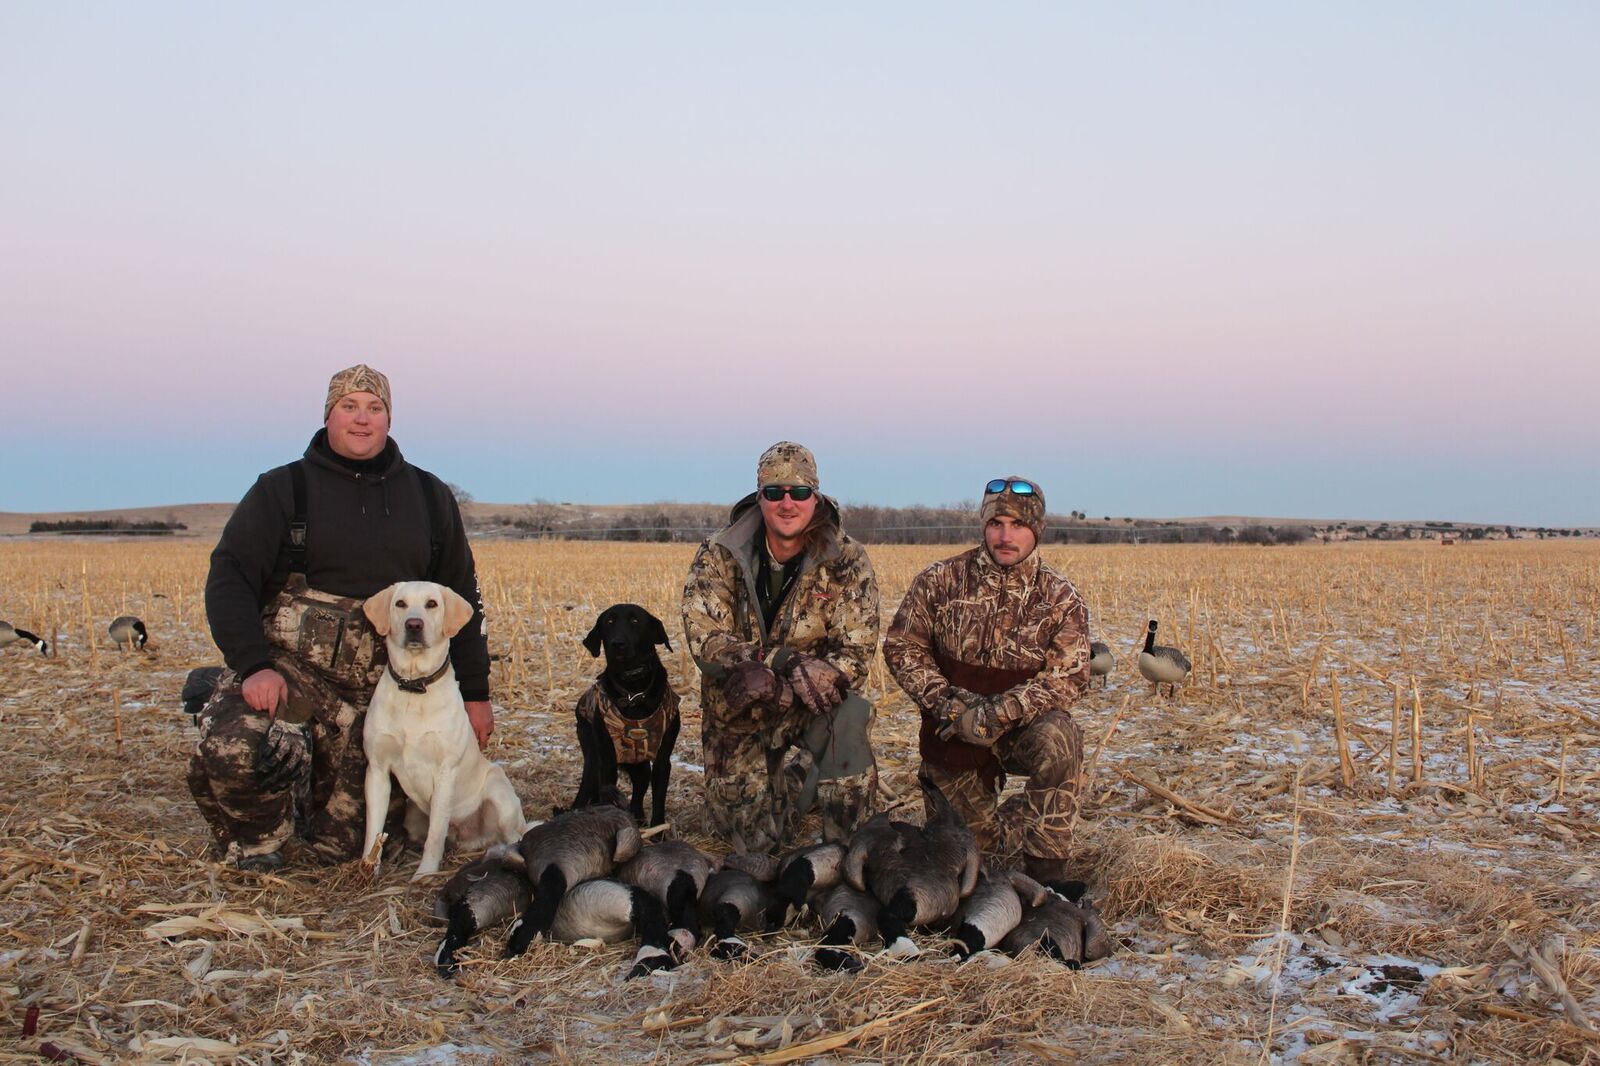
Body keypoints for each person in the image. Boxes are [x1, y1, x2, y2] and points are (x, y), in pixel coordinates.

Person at [189, 365, 492, 871]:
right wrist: (253, 665)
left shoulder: (427, 495)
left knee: (348, 846)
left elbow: (462, 598)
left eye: (375, 408)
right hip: (294, 675)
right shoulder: (283, 489)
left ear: (389, 418)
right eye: (349, 406)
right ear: (328, 414)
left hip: (389, 690)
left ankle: (320, 796)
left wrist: (476, 694)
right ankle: (260, 841)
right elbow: (229, 578)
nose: (362, 419)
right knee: (235, 745)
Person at [882, 476, 1090, 891]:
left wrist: (998, 714)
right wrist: (948, 705)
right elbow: (903, 647)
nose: (1005, 536)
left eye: (1018, 524)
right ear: (984, 525)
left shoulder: (1060, 597)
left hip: (1020, 728)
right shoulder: (940, 580)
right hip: (952, 728)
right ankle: (1014, 819)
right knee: (972, 860)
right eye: (996, 523)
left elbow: (1068, 676)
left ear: (1037, 529)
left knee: (1060, 739)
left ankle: (1047, 874)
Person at [682, 442, 880, 853]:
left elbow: (856, 652)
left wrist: (794, 687)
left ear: (816, 497)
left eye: (799, 492)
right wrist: (778, 662)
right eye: (775, 492)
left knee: (850, 716)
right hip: (740, 704)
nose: (787, 503)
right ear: (760, 497)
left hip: (811, 703)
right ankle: (796, 779)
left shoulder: (847, 559)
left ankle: (845, 844)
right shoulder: (719, 552)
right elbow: (705, 638)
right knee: (750, 845)